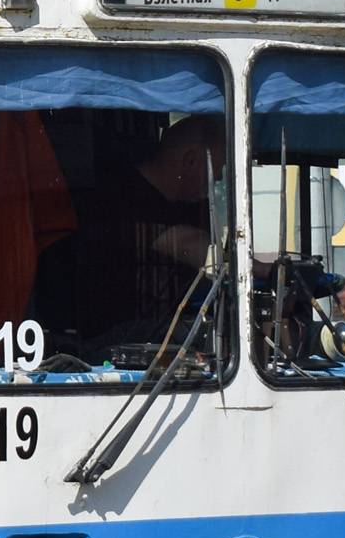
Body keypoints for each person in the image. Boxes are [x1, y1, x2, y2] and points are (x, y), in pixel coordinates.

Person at [30, 115, 225, 358]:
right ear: (191, 160)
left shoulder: (196, 206)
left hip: (173, 350)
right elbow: (189, 246)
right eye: (216, 171)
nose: (216, 181)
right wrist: (257, 268)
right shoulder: (116, 199)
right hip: (106, 347)